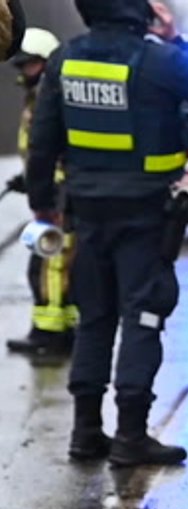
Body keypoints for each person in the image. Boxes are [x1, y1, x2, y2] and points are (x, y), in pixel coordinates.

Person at [25, 0, 188, 466]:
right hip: (144, 214)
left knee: (94, 317)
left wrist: (43, 204)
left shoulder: (65, 59)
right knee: (144, 315)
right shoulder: (160, 58)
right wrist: (176, 38)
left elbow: (43, 140)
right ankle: (131, 437)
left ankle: (85, 432)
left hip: (86, 213)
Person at [7, 27, 79, 357]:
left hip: (58, 195)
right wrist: (28, 179)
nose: (24, 72)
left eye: (30, 65)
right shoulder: (38, 95)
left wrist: (46, 191)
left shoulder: (55, 96)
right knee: (45, 263)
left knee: (51, 263)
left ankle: (52, 335)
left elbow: (52, 148)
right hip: (48, 189)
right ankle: (54, 329)